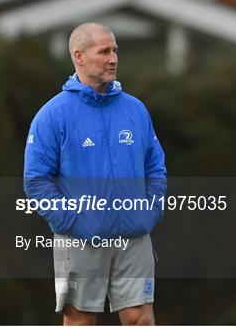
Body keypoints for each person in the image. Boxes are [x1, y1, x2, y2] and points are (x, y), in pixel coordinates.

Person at [24, 23, 167, 325]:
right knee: (81, 321)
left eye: (115, 50)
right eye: (104, 51)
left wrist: (150, 211)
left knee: (140, 318)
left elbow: (155, 167)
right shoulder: (52, 115)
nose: (113, 58)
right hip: (79, 240)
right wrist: (74, 221)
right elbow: (36, 181)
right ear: (79, 56)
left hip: (133, 238)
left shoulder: (136, 109)